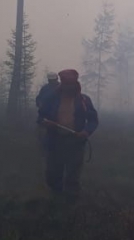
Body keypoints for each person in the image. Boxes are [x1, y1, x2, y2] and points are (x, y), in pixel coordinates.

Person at [37, 69, 99, 199]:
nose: (68, 88)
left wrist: (86, 132)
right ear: (62, 84)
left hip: (75, 143)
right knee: (53, 173)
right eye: (66, 84)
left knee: (73, 174)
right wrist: (45, 123)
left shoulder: (84, 100)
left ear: (76, 85)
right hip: (55, 141)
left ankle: (71, 202)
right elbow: (41, 117)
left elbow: (93, 120)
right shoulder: (51, 99)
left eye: (71, 84)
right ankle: (55, 198)